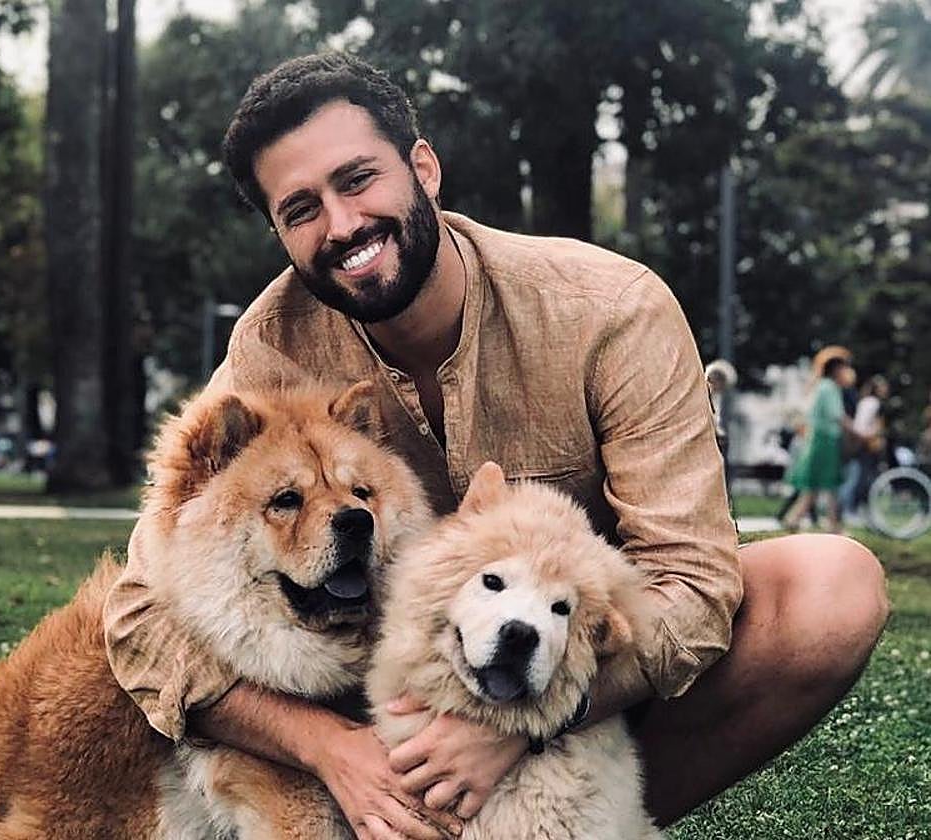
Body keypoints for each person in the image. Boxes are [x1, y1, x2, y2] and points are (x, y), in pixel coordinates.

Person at [104, 53, 888, 839]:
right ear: (278, 230)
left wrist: (515, 723)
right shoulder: (268, 352)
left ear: (424, 168)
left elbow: (692, 575)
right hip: (378, 712)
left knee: (831, 588)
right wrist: (327, 749)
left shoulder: (610, 310)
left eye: (357, 179)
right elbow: (137, 614)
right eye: (300, 208)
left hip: (584, 679)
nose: (341, 225)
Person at [783, 357, 858, 533]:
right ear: (836, 370)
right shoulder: (828, 387)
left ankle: (794, 520)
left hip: (821, 439)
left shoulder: (825, 386)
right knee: (827, 484)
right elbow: (837, 416)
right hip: (825, 440)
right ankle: (831, 525)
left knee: (817, 485)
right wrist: (857, 431)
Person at [839, 375, 890, 524]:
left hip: (864, 444)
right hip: (866, 445)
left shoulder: (867, 401)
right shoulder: (872, 403)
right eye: (883, 386)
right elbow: (861, 425)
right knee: (862, 479)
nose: (886, 389)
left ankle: (855, 510)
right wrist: (874, 434)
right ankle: (851, 510)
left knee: (861, 478)